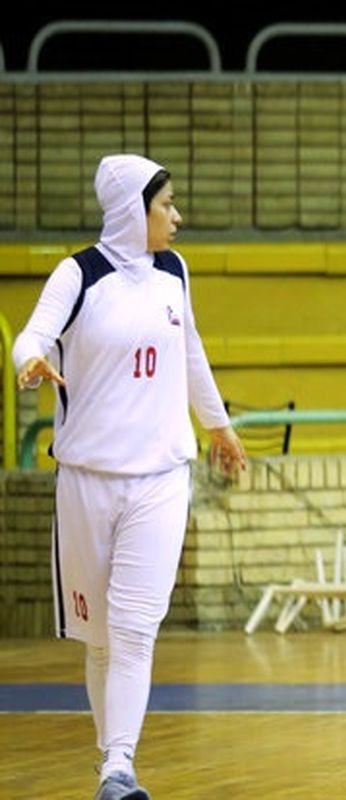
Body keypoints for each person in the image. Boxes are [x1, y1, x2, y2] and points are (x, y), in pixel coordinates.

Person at [12, 154, 247, 800]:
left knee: (136, 626)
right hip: (87, 481)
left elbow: (190, 347)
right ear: (129, 211)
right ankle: (109, 757)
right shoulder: (78, 275)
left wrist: (217, 423)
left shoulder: (174, 271)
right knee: (101, 641)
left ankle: (119, 766)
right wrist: (30, 361)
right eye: (164, 204)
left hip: (162, 478)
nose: (176, 216)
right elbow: (28, 336)